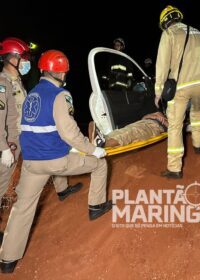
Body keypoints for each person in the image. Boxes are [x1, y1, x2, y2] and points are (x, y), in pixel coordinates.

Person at [0, 50, 112, 274]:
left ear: (43, 69)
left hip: (31, 162)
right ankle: (96, 206)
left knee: (23, 207)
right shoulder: (61, 95)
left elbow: (28, 126)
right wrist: (93, 150)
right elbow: (69, 132)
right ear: (61, 72)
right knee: (100, 165)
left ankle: (7, 260)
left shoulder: (31, 93)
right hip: (55, 160)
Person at [155, 6, 200, 179]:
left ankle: (174, 168)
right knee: (197, 111)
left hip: (182, 85)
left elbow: (162, 64)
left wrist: (158, 90)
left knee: (175, 125)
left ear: (165, 21)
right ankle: (198, 144)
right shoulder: (198, 32)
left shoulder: (169, 34)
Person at [0, 37, 31, 244]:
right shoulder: (2, 84)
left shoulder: (16, 81)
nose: (26, 61)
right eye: (24, 57)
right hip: (6, 144)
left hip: (15, 141)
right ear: (13, 58)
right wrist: (3, 148)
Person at [89, 111, 167, 148]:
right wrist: (153, 116)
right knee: (123, 130)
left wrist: (164, 121)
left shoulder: (174, 121)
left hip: (154, 127)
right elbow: (144, 117)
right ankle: (103, 138)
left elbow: (172, 129)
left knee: (132, 133)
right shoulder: (161, 112)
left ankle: (104, 144)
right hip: (143, 121)